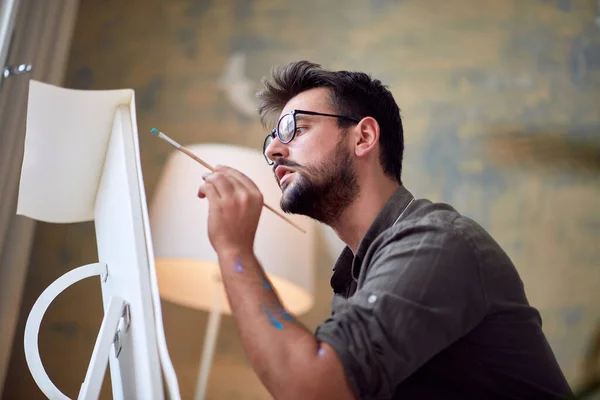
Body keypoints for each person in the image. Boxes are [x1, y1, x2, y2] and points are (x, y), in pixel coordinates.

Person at [197, 61, 573, 399]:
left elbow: (310, 387)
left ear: (363, 137)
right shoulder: (355, 278)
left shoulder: (436, 243)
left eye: (296, 127)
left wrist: (234, 250)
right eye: (272, 140)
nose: (274, 150)